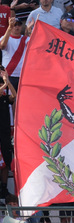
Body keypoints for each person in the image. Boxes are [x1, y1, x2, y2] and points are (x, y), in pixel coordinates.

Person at [0, 17, 29, 91]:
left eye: (19, 25)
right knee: (10, 99)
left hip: (23, 75)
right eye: (14, 25)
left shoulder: (26, 39)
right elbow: (2, 46)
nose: (16, 27)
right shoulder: (4, 38)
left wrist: (31, 31)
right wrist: (9, 28)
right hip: (8, 75)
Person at [0, 67, 16, 198]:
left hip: (4, 130)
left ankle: (4, 188)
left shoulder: (5, 92)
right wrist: (4, 83)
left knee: (6, 158)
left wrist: (8, 82)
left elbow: (14, 96)